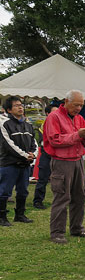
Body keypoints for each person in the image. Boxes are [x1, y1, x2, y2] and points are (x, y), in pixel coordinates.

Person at [44, 90, 85, 244]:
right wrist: (78, 135)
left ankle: (77, 228)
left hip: (78, 160)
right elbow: (55, 139)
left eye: (81, 105)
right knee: (62, 197)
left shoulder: (79, 118)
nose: (79, 108)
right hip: (61, 162)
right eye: (76, 105)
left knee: (79, 196)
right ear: (66, 101)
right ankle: (57, 232)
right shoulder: (54, 117)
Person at [0, 96, 37, 226]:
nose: (20, 107)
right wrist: (24, 155)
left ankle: (20, 214)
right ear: (9, 110)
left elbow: (34, 143)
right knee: (4, 190)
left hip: (25, 165)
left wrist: (33, 154)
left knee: (23, 190)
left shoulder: (28, 125)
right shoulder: (5, 125)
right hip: (9, 163)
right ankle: (2, 216)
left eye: (21, 105)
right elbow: (8, 144)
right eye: (16, 105)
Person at [32, 105, 59, 209]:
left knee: (61, 179)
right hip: (47, 153)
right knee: (42, 178)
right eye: (54, 112)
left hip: (58, 155)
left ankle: (61, 200)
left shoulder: (60, 123)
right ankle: (38, 201)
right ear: (48, 114)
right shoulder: (45, 124)